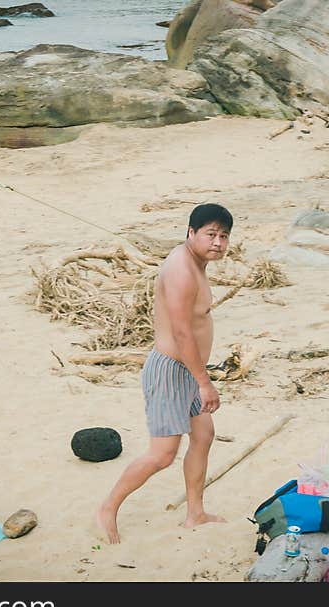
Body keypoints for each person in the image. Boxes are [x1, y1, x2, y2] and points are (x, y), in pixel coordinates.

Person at [96, 203, 233, 544]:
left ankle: (195, 513)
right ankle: (108, 508)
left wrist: (199, 376)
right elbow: (182, 331)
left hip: (189, 369)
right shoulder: (181, 270)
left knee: (203, 436)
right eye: (210, 234)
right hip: (172, 371)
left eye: (223, 236)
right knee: (162, 455)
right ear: (191, 233)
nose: (217, 243)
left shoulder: (196, 262)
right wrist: (205, 383)